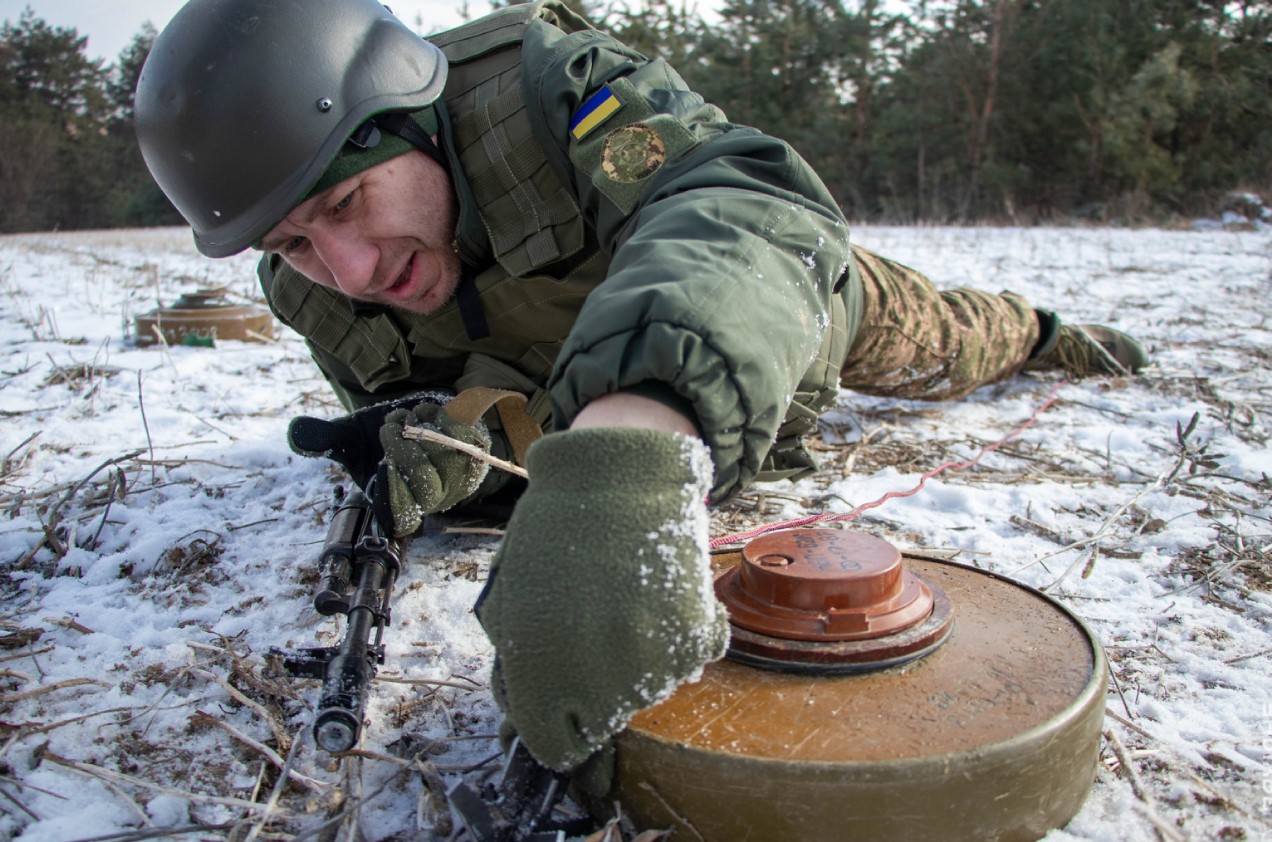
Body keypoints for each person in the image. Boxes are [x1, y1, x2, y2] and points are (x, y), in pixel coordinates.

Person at [135, 0, 1147, 781]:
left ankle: (1055, 333)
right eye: (294, 244)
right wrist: (463, 443)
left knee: (948, 339)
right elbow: (490, 395)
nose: (348, 269)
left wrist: (631, 444)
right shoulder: (315, 297)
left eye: (348, 202)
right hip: (639, 354)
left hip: (781, 305)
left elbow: (746, 206)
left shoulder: (548, 88)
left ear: (406, 116)